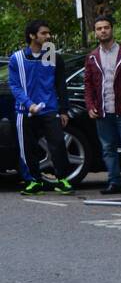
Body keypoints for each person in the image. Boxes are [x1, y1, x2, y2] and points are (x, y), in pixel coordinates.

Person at [9, 19, 75, 195]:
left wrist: (63, 110)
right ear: (32, 36)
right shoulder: (17, 58)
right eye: (44, 33)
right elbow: (14, 86)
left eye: (48, 33)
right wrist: (29, 105)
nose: (48, 36)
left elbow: (61, 84)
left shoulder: (52, 56)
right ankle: (33, 181)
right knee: (27, 148)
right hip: (25, 111)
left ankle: (62, 180)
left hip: (49, 109)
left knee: (58, 144)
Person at [83, 14, 121, 194]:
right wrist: (90, 104)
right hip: (103, 111)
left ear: (112, 29)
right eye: (99, 28)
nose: (103, 31)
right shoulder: (92, 57)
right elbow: (88, 84)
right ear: (95, 32)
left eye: (106, 27)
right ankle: (114, 182)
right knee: (108, 148)